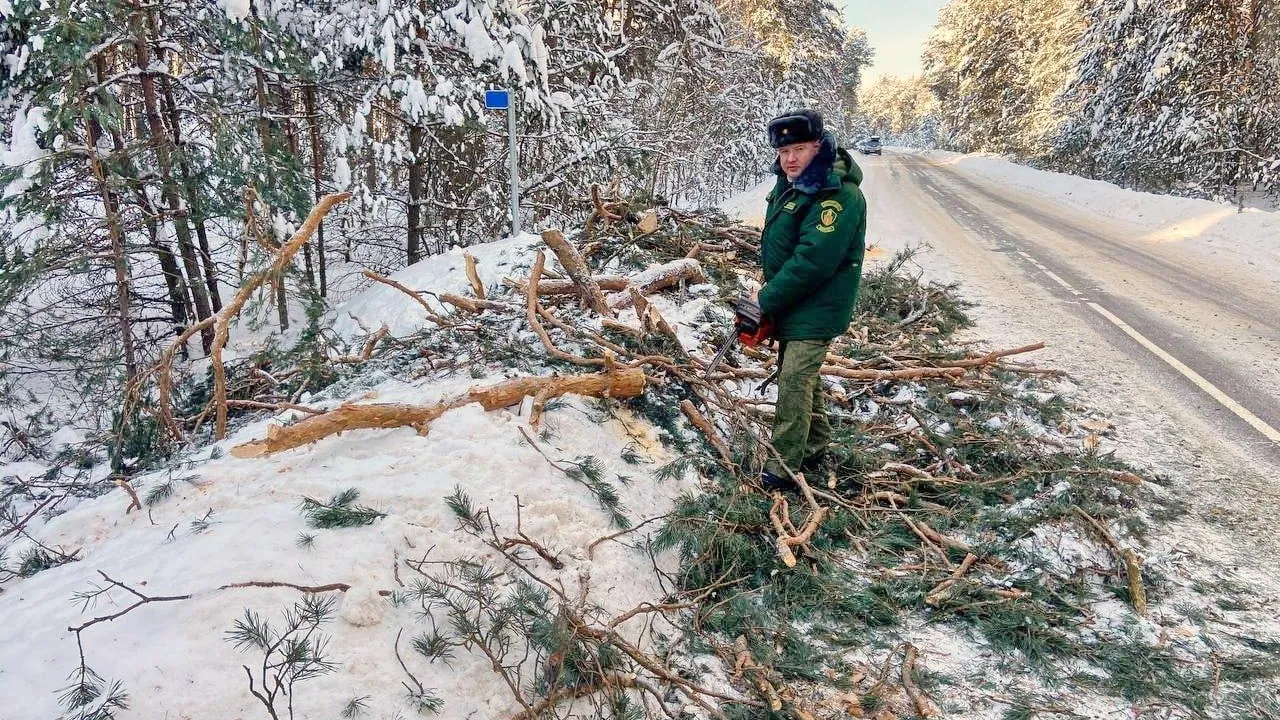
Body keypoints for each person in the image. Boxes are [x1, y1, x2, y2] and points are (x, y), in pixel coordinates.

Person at [752, 109, 867, 491]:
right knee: (800, 376)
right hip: (794, 299)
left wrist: (765, 300)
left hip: (817, 305)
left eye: (799, 148)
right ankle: (815, 444)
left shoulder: (838, 193)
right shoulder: (790, 182)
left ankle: (782, 466)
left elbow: (812, 261)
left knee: (794, 381)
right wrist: (767, 292)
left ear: (818, 146)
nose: (791, 159)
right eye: (784, 151)